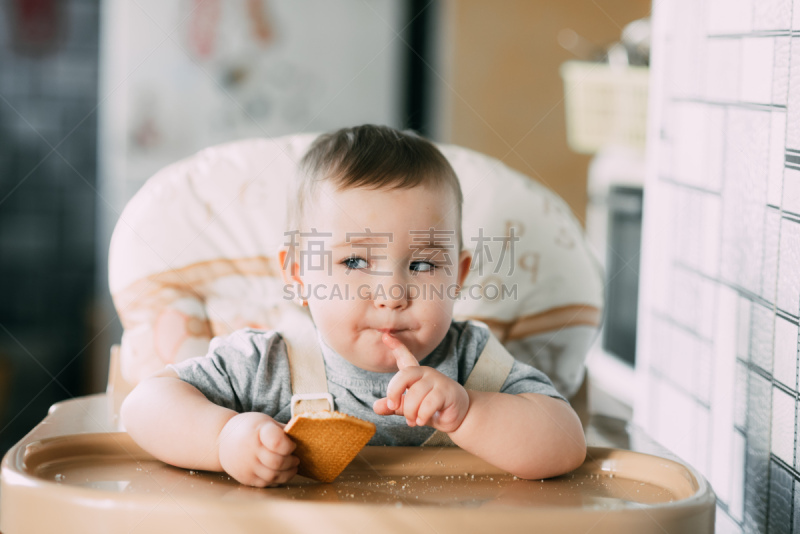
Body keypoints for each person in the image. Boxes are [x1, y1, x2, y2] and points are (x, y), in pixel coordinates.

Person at [121, 124, 586, 488]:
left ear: (458, 277)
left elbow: (566, 444)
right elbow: (145, 405)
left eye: (423, 264)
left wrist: (468, 412)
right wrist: (224, 439)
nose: (391, 294)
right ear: (299, 275)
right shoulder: (267, 366)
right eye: (355, 260)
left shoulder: (473, 363)